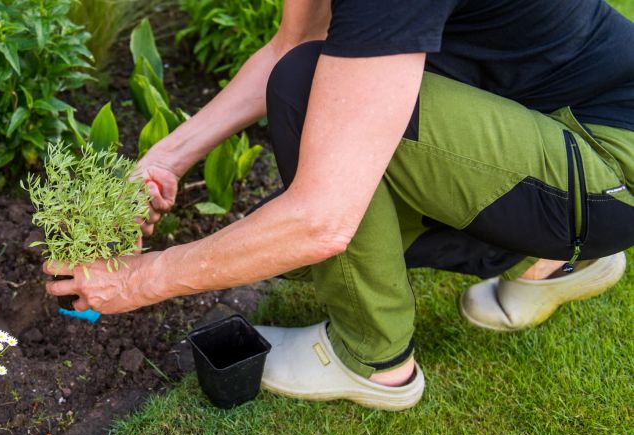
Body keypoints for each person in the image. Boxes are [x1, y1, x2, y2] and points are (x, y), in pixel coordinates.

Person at [44, 0, 634, 410]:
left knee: (309, 107)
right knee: (310, 88)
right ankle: (560, 258)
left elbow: (321, 220)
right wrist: (166, 158)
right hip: (563, 115)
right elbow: (295, 42)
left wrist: (141, 280)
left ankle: (373, 362)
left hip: (609, 163)